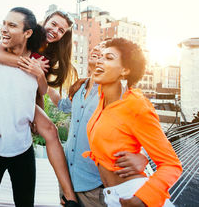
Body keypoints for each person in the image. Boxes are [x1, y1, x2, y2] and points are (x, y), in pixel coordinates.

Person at [0, 10, 78, 207]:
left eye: (61, 30)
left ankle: (70, 196)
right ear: (43, 22)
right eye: (53, 24)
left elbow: (39, 91)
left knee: (50, 131)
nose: (55, 31)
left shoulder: (45, 58)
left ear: (28, 33)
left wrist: (38, 74)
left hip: (23, 130)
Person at [83, 38, 182, 207]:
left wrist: (142, 199)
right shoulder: (102, 98)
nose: (100, 60)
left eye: (109, 57)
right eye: (101, 56)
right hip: (111, 196)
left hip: (135, 195)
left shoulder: (136, 104)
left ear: (125, 70)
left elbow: (171, 164)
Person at [47, 42, 149, 207]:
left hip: (97, 187)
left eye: (105, 51)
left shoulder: (117, 94)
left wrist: (142, 156)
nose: (96, 49)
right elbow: (63, 105)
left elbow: (136, 127)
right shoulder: (79, 88)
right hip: (69, 182)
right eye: (95, 47)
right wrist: (43, 82)